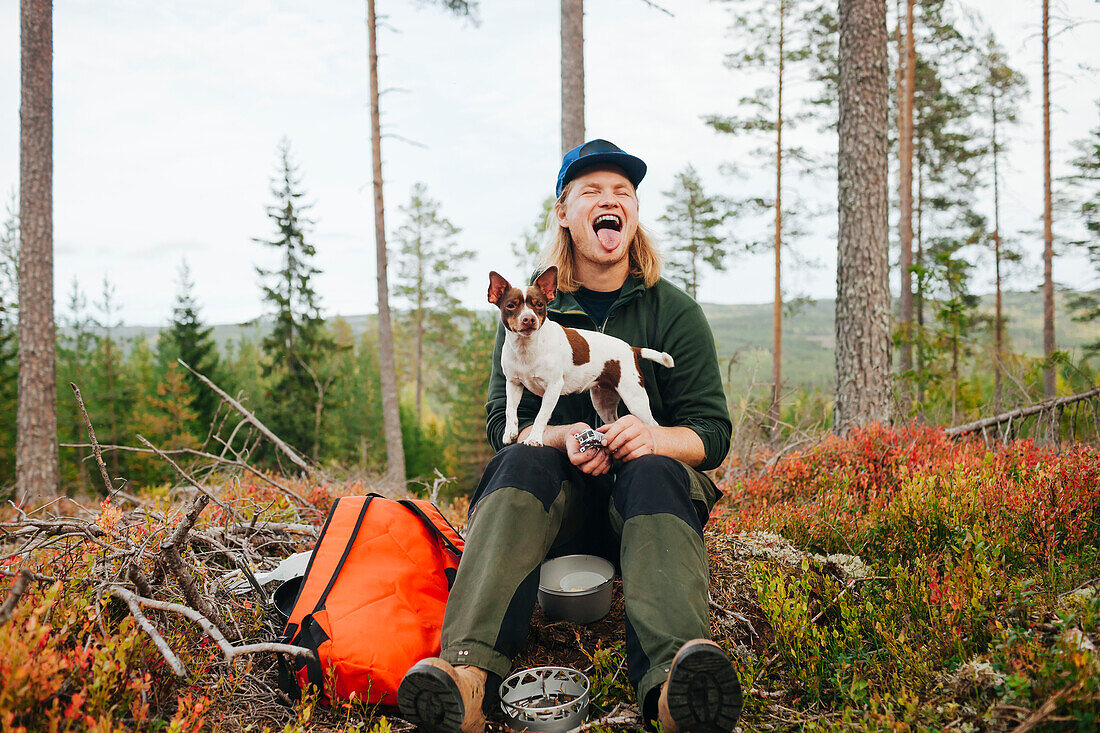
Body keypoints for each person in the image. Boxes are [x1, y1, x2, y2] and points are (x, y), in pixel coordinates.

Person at [397, 139, 742, 733]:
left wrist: (654, 440)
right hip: (555, 516)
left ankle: (671, 691)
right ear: (563, 212)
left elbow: (712, 433)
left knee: (656, 467)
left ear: (632, 214)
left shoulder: (674, 312)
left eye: (623, 193)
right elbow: (497, 425)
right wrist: (558, 436)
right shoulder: (525, 313)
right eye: (592, 191)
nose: (611, 201)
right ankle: (466, 680)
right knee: (519, 459)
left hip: (645, 510)